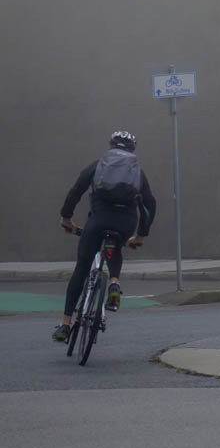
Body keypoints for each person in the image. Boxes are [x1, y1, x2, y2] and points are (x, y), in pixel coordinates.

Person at [52, 131, 157, 341]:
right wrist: (140, 235)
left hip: (99, 220)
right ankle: (114, 283)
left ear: (111, 145)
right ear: (132, 149)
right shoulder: (137, 171)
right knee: (116, 247)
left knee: (82, 268)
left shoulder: (98, 165)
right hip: (126, 222)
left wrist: (66, 217)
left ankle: (64, 324)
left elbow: (76, 190)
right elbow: (150, 204)